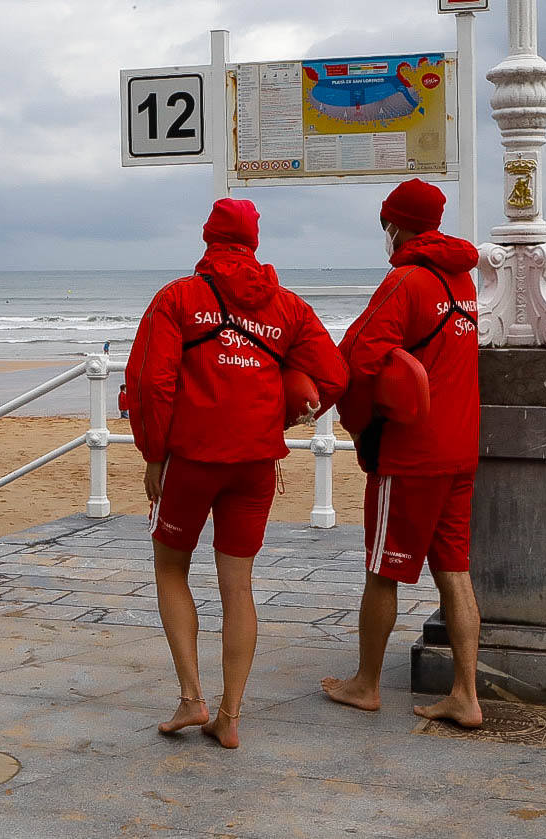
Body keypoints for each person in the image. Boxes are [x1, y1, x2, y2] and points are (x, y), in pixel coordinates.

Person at [126, 197, 348, 748]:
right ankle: (230, 716)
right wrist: (286, 416)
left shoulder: (178, 298)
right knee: (238, 585)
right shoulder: (288, 307)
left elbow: (153, 385)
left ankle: (190, 699)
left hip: (192, 461)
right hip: (255, 463)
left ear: (208, 238)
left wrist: (154, 453)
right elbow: (334, 377)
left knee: (171, 568)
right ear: (254, 241)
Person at [321, 178, 482, 727]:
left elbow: (362, 359)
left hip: (413, 455)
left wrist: (354, 422)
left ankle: (365, 684)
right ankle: (466, 695)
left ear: (397, 224)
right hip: (461, 448)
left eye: (386, 223)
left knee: (381, 573)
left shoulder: (406, 280)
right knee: (455, 574)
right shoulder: (463, 282)